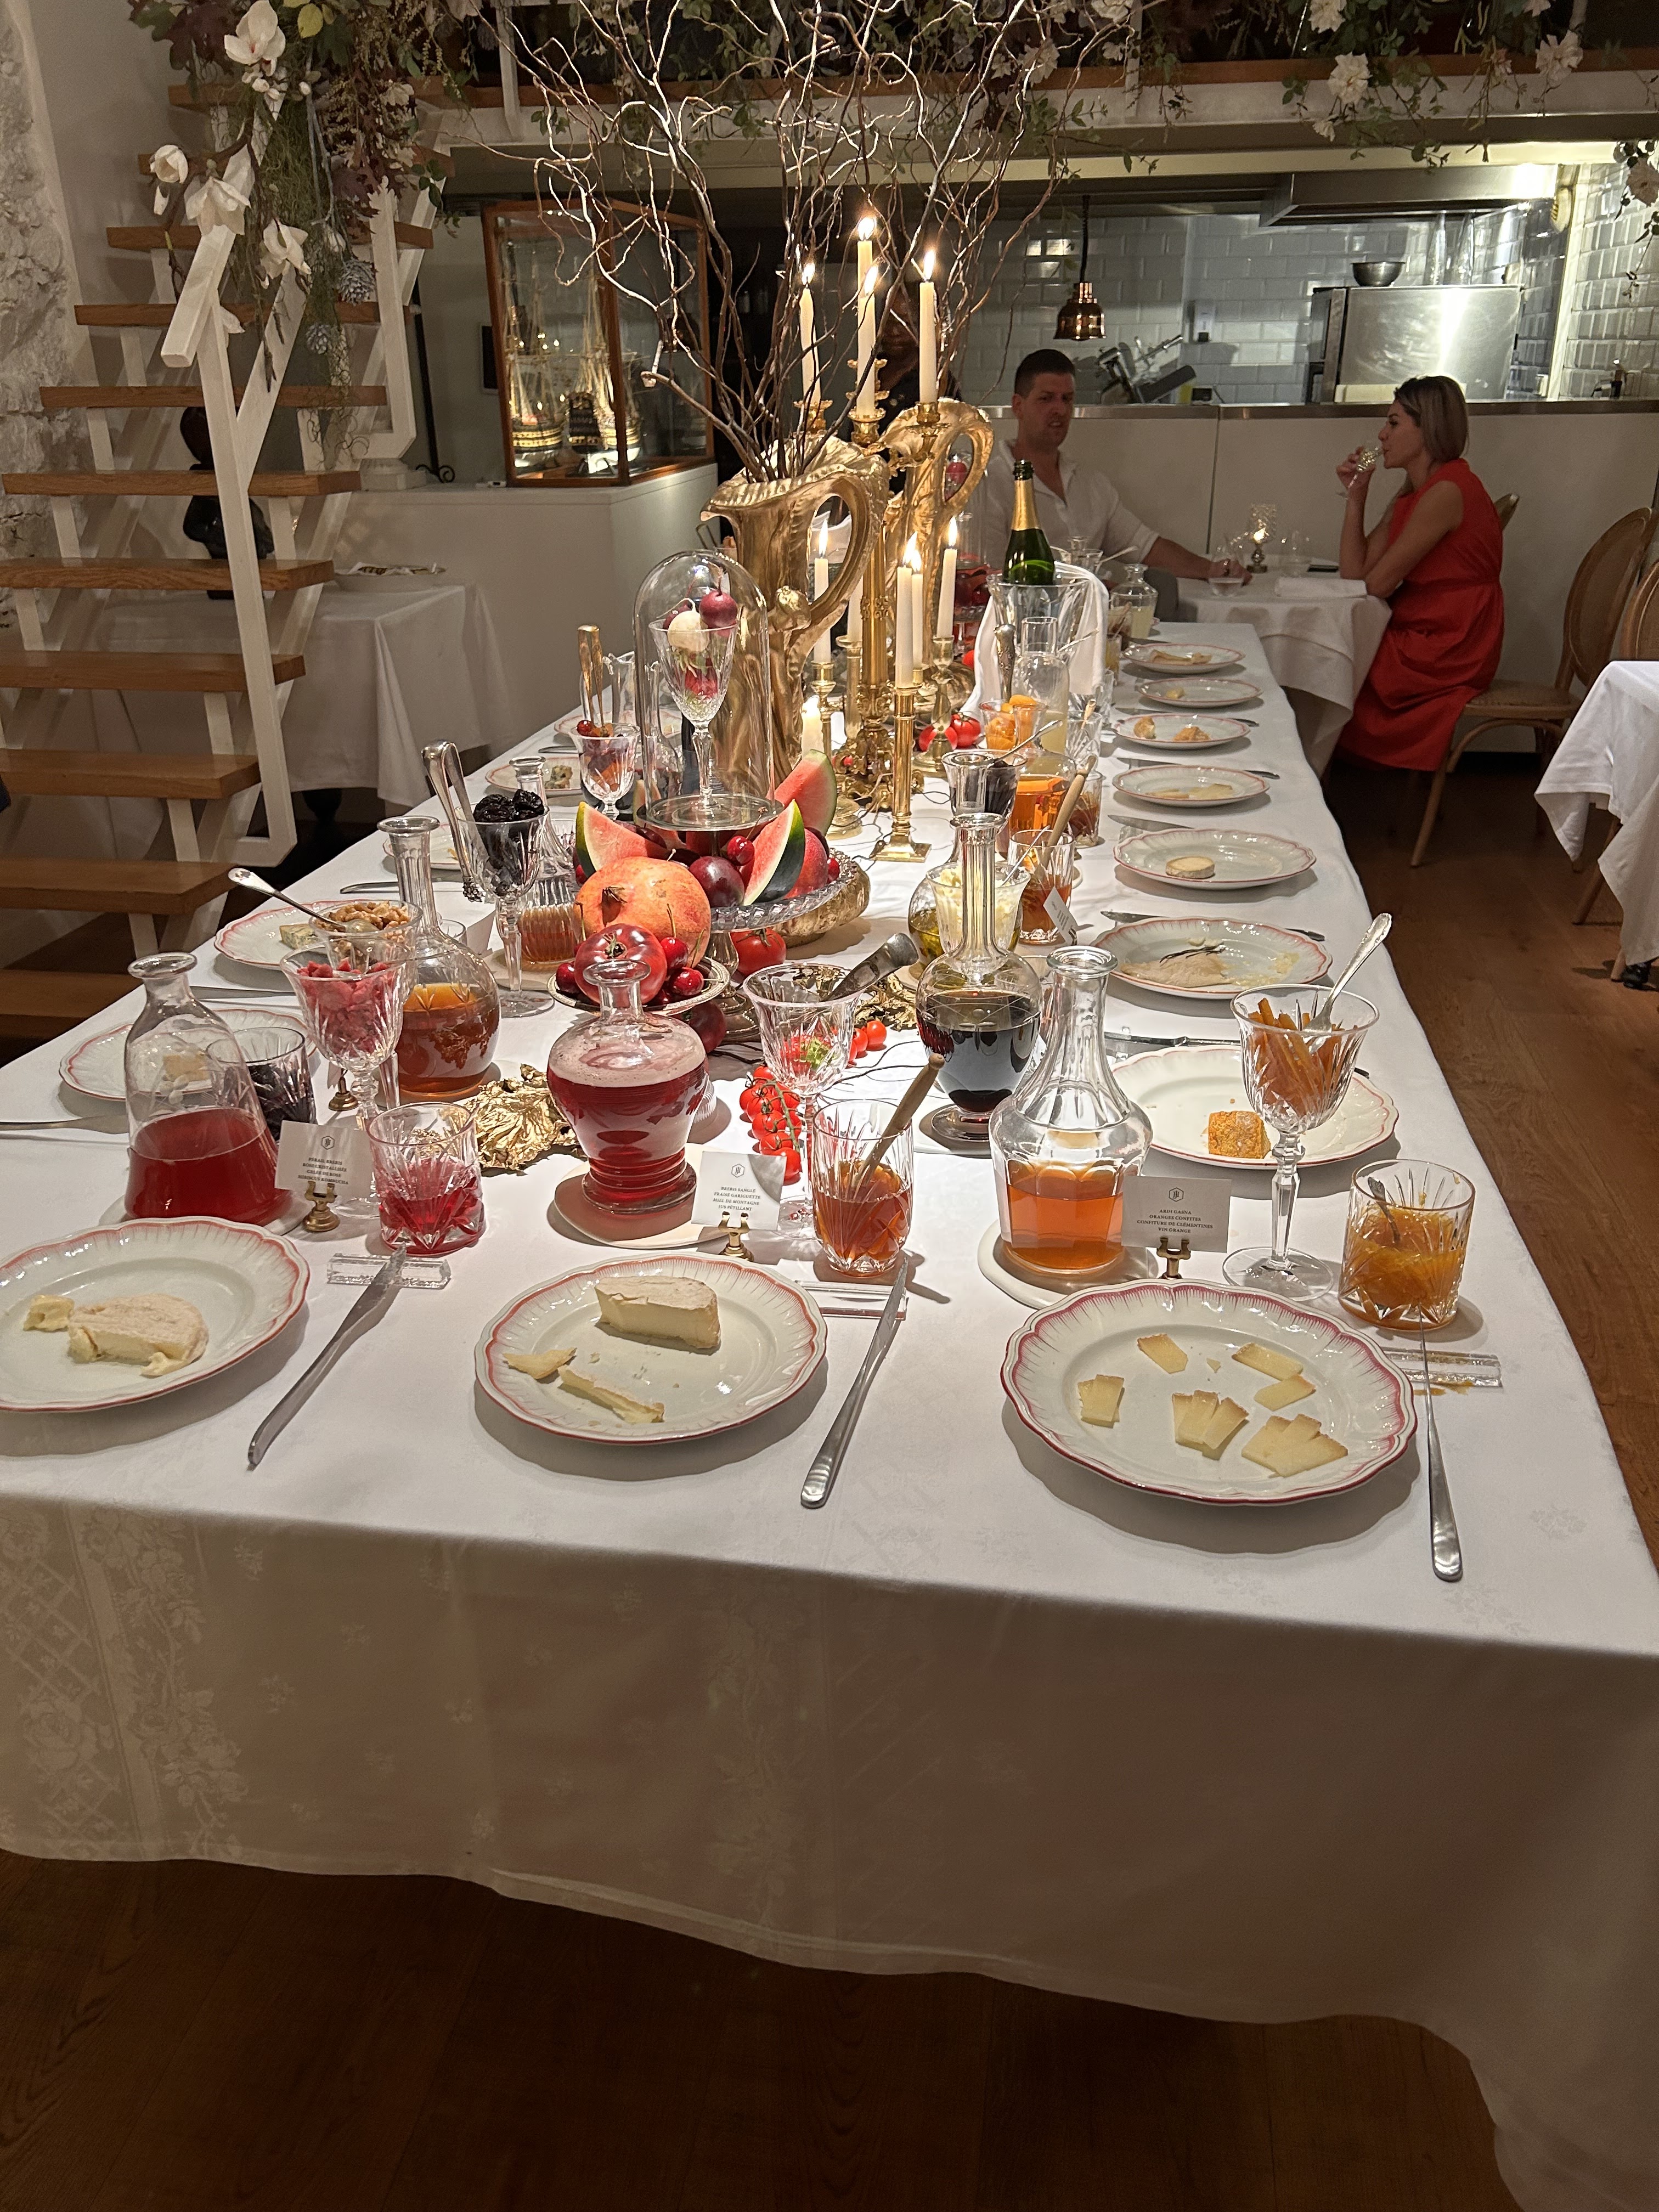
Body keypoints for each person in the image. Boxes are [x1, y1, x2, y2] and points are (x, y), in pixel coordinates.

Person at [1335, 376, 1504, 774]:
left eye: (1394, 423)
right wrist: (1356, 496)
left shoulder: (1447, 491)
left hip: (1452, 639)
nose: (1382, 435)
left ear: (1427, 427)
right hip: (1428, 625)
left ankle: (1307, 771)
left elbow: (1376, 585)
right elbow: (1354, 574)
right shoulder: (1415, 490)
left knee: (1333, 653)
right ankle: (1312, 769)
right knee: (1332, 649)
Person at [972, 348, 1244, 581]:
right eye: (1046, 398)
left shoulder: (1091, 484)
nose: (1060, 410)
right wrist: (1092, 589)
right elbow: (993, 577)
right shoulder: (989, 486)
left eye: (1067, 399)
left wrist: (1211, 569)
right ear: (1018, 406)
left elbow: (1144, 545)